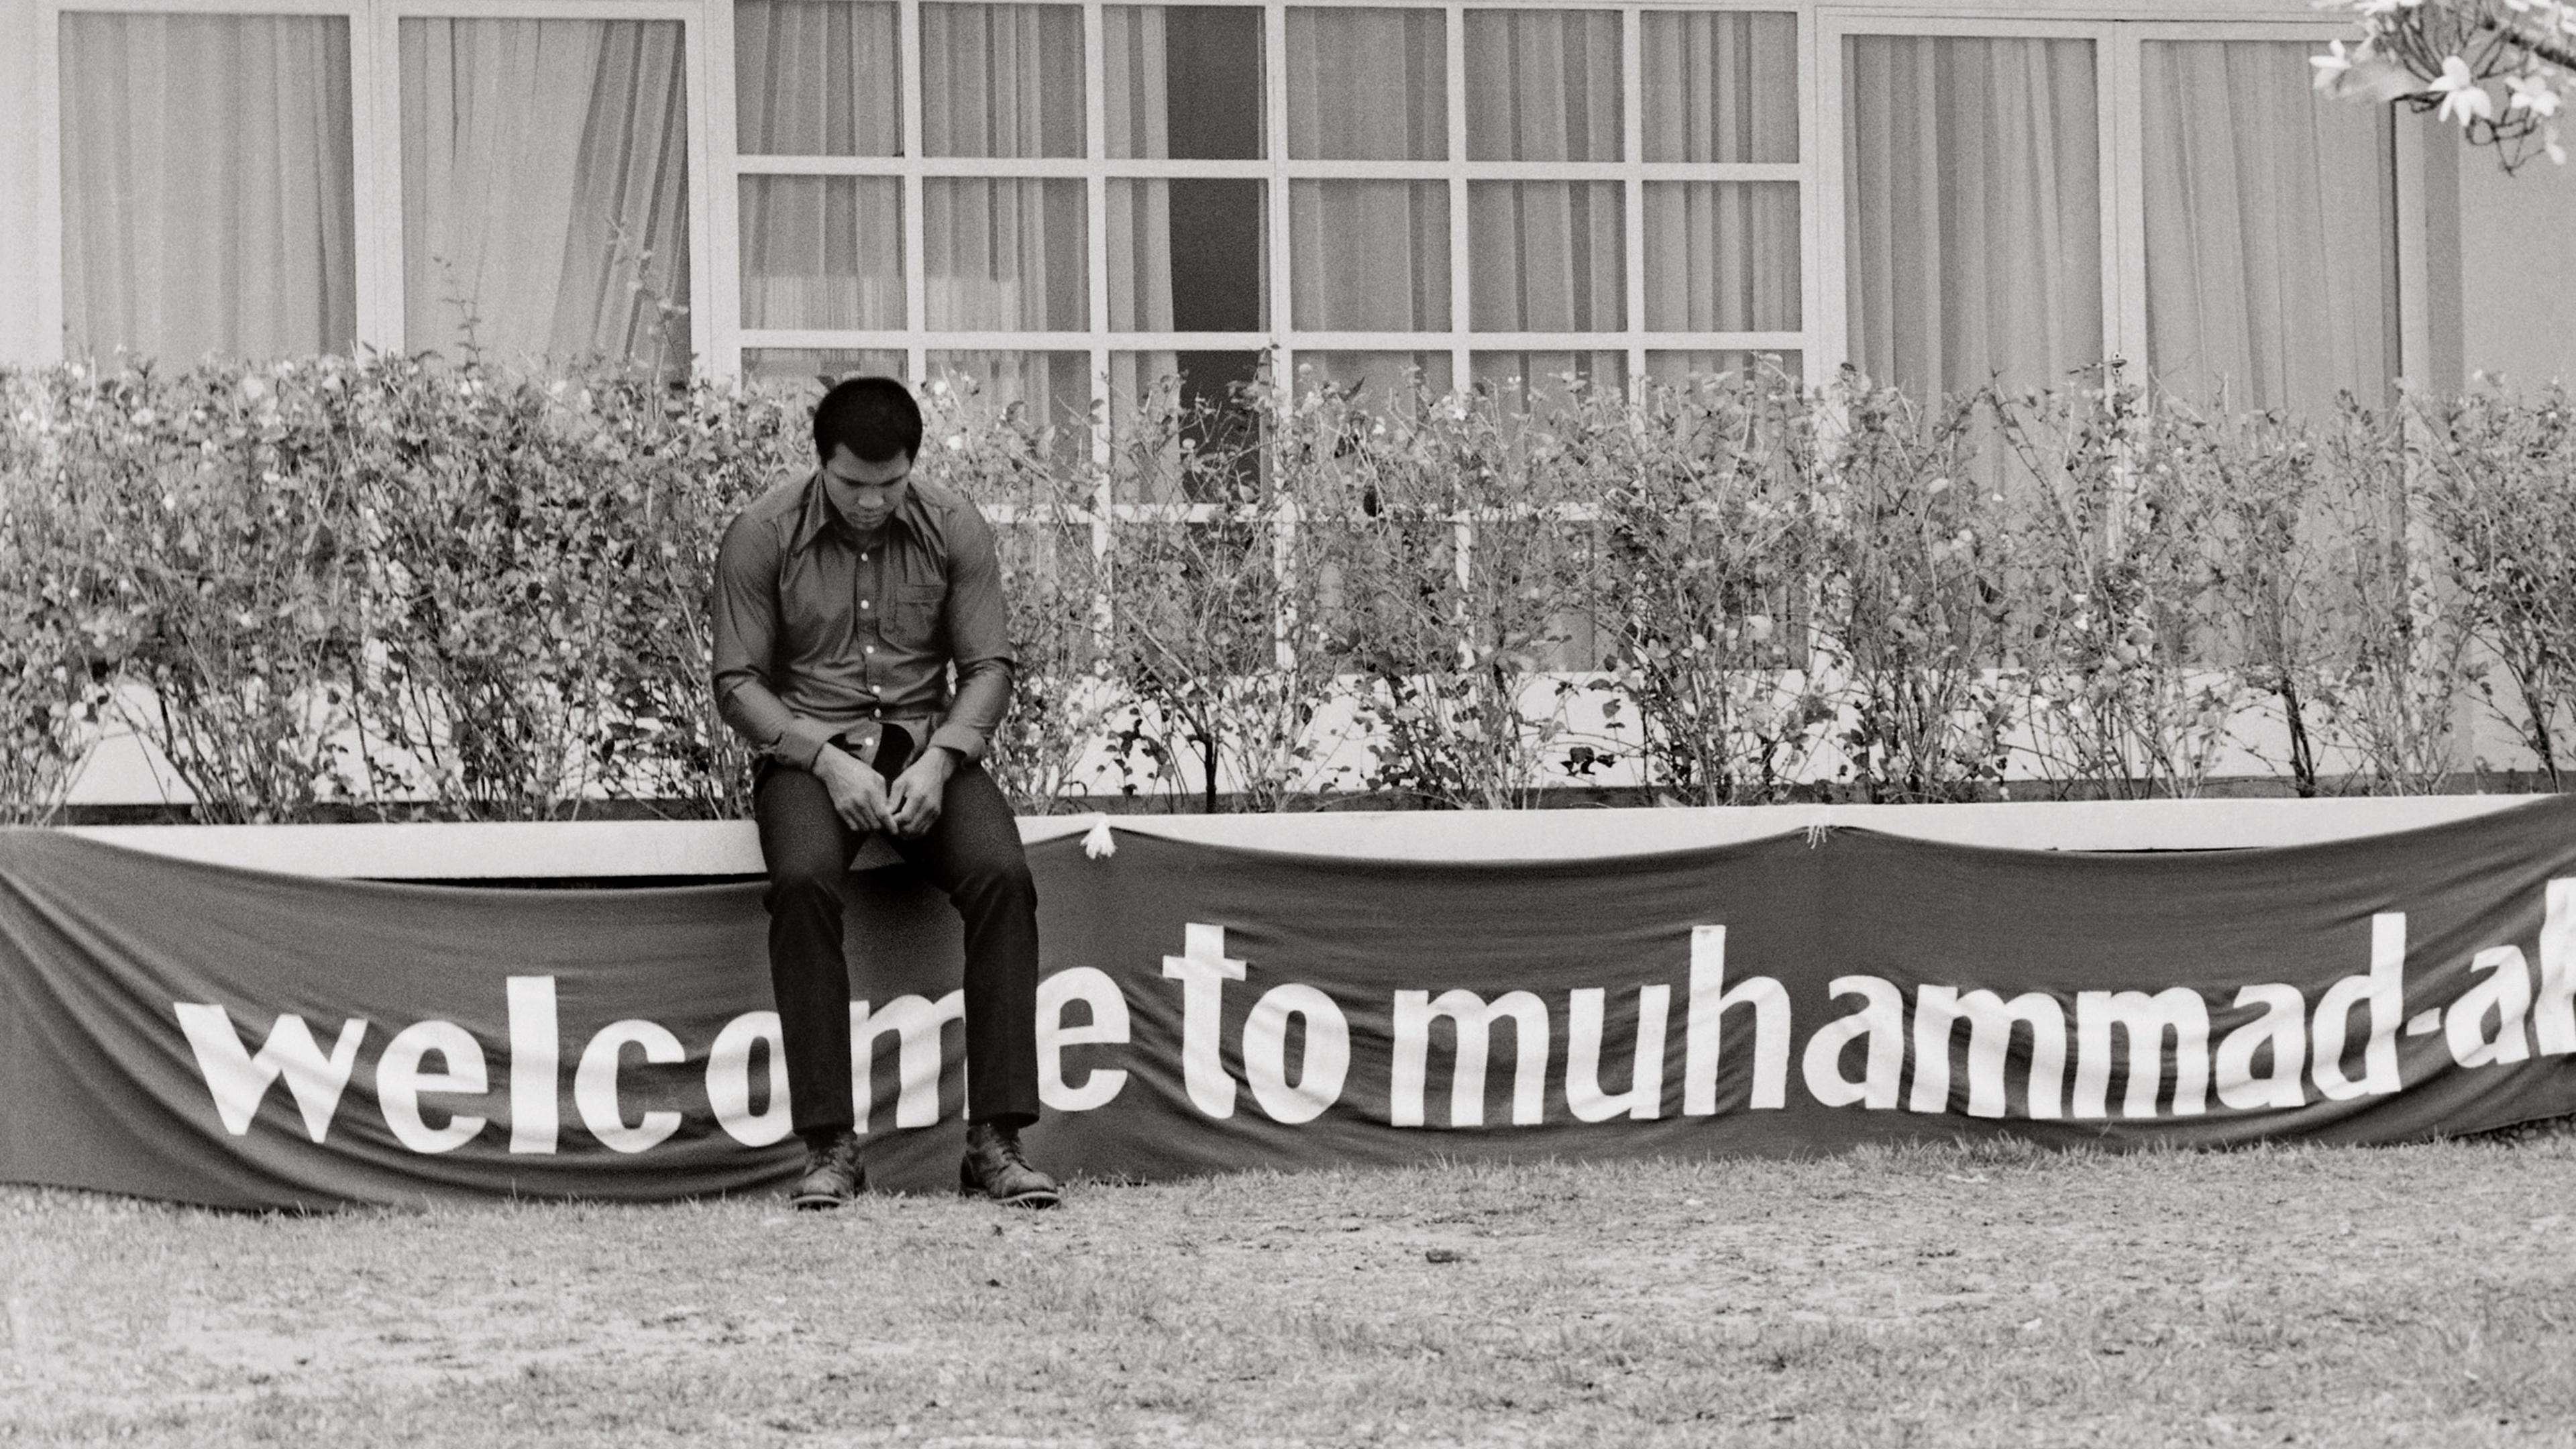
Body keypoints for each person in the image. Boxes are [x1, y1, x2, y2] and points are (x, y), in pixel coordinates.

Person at [710, 376, 1059, 1210]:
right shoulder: (763, 533)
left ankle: (995, 1145)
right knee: (800, 886)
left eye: (890, 484)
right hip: (809, 754)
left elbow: (987, 669)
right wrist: (827, 761)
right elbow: (737, 683)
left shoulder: (952, 526)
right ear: (821, 463)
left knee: (1004, 880)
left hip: (923, 745)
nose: (871, 501)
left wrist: (941, 760)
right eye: (853, 484)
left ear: (914, 466)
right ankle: (831, 1148)